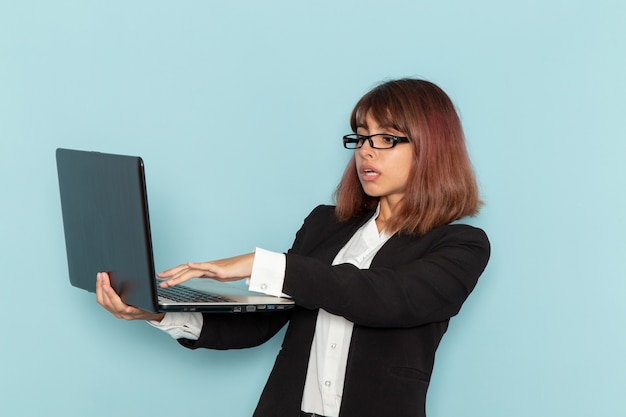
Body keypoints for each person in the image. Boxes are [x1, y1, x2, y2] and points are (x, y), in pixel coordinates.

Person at [96, 78, 490, 417]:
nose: (366, 150)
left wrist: (265, 265)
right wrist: (159, 312)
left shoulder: (461, 245)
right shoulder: (325, 224)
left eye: (386, 138)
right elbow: (264, 322)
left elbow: (386, 298)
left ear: (431, 147)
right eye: (361, 136)